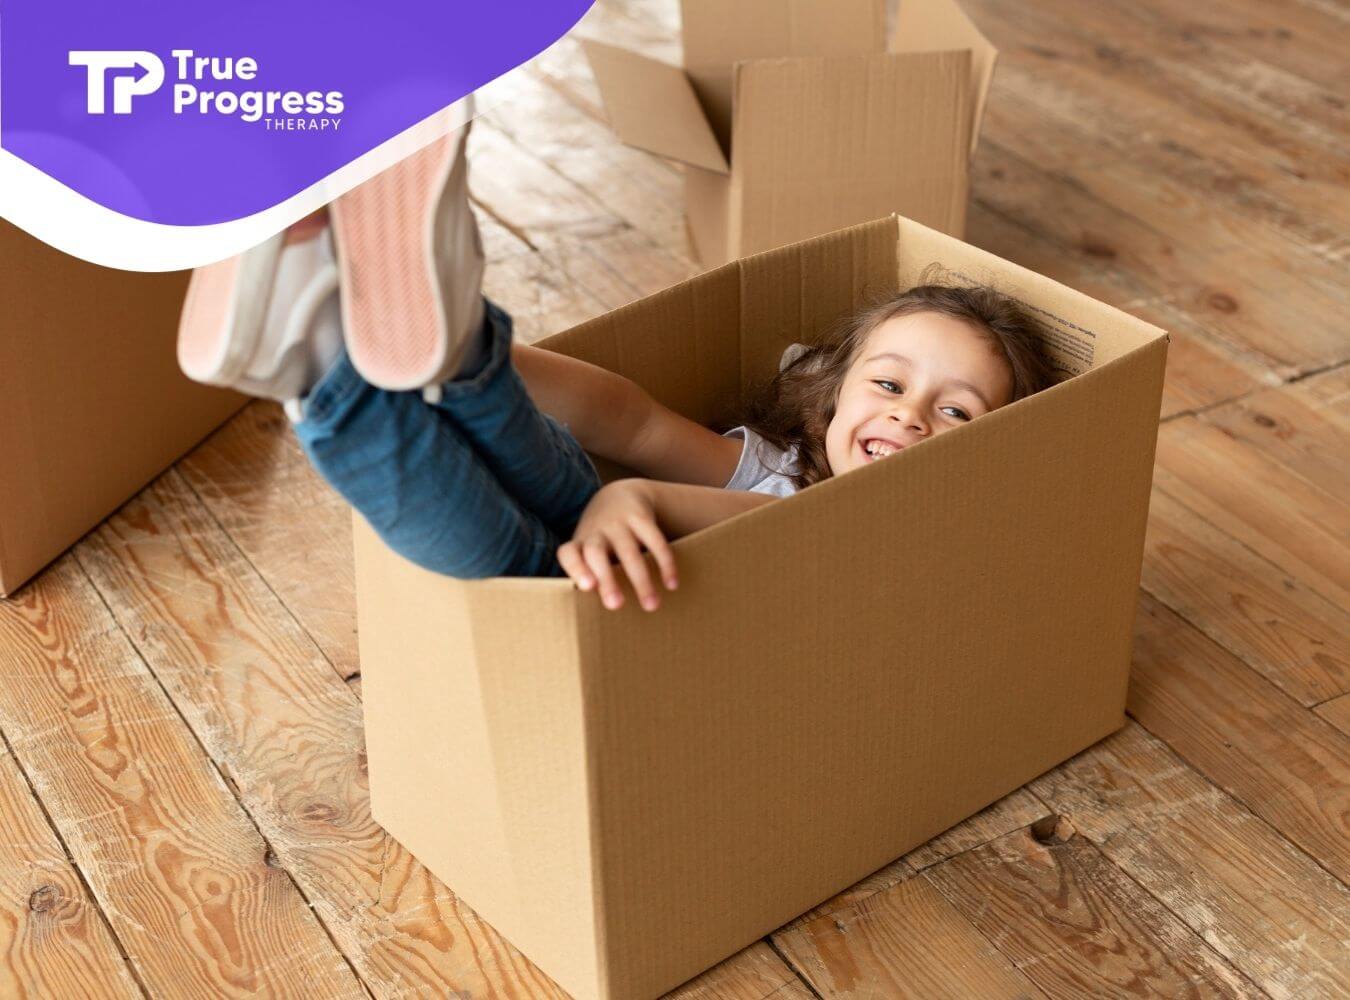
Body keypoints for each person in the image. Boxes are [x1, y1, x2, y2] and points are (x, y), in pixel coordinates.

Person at [178, 121, 1056, 612]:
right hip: (588, 543)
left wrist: (635, 498)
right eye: (892, 384)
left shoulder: (918, 556)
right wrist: (494, 363)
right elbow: (625, 418)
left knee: (509, 560)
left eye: (956, 413)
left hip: (595, 613)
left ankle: (325, 372)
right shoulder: (776, 468)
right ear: (829, 399)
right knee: (550, 476)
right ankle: (453, 357)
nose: (909, 416)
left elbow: (755, 528)